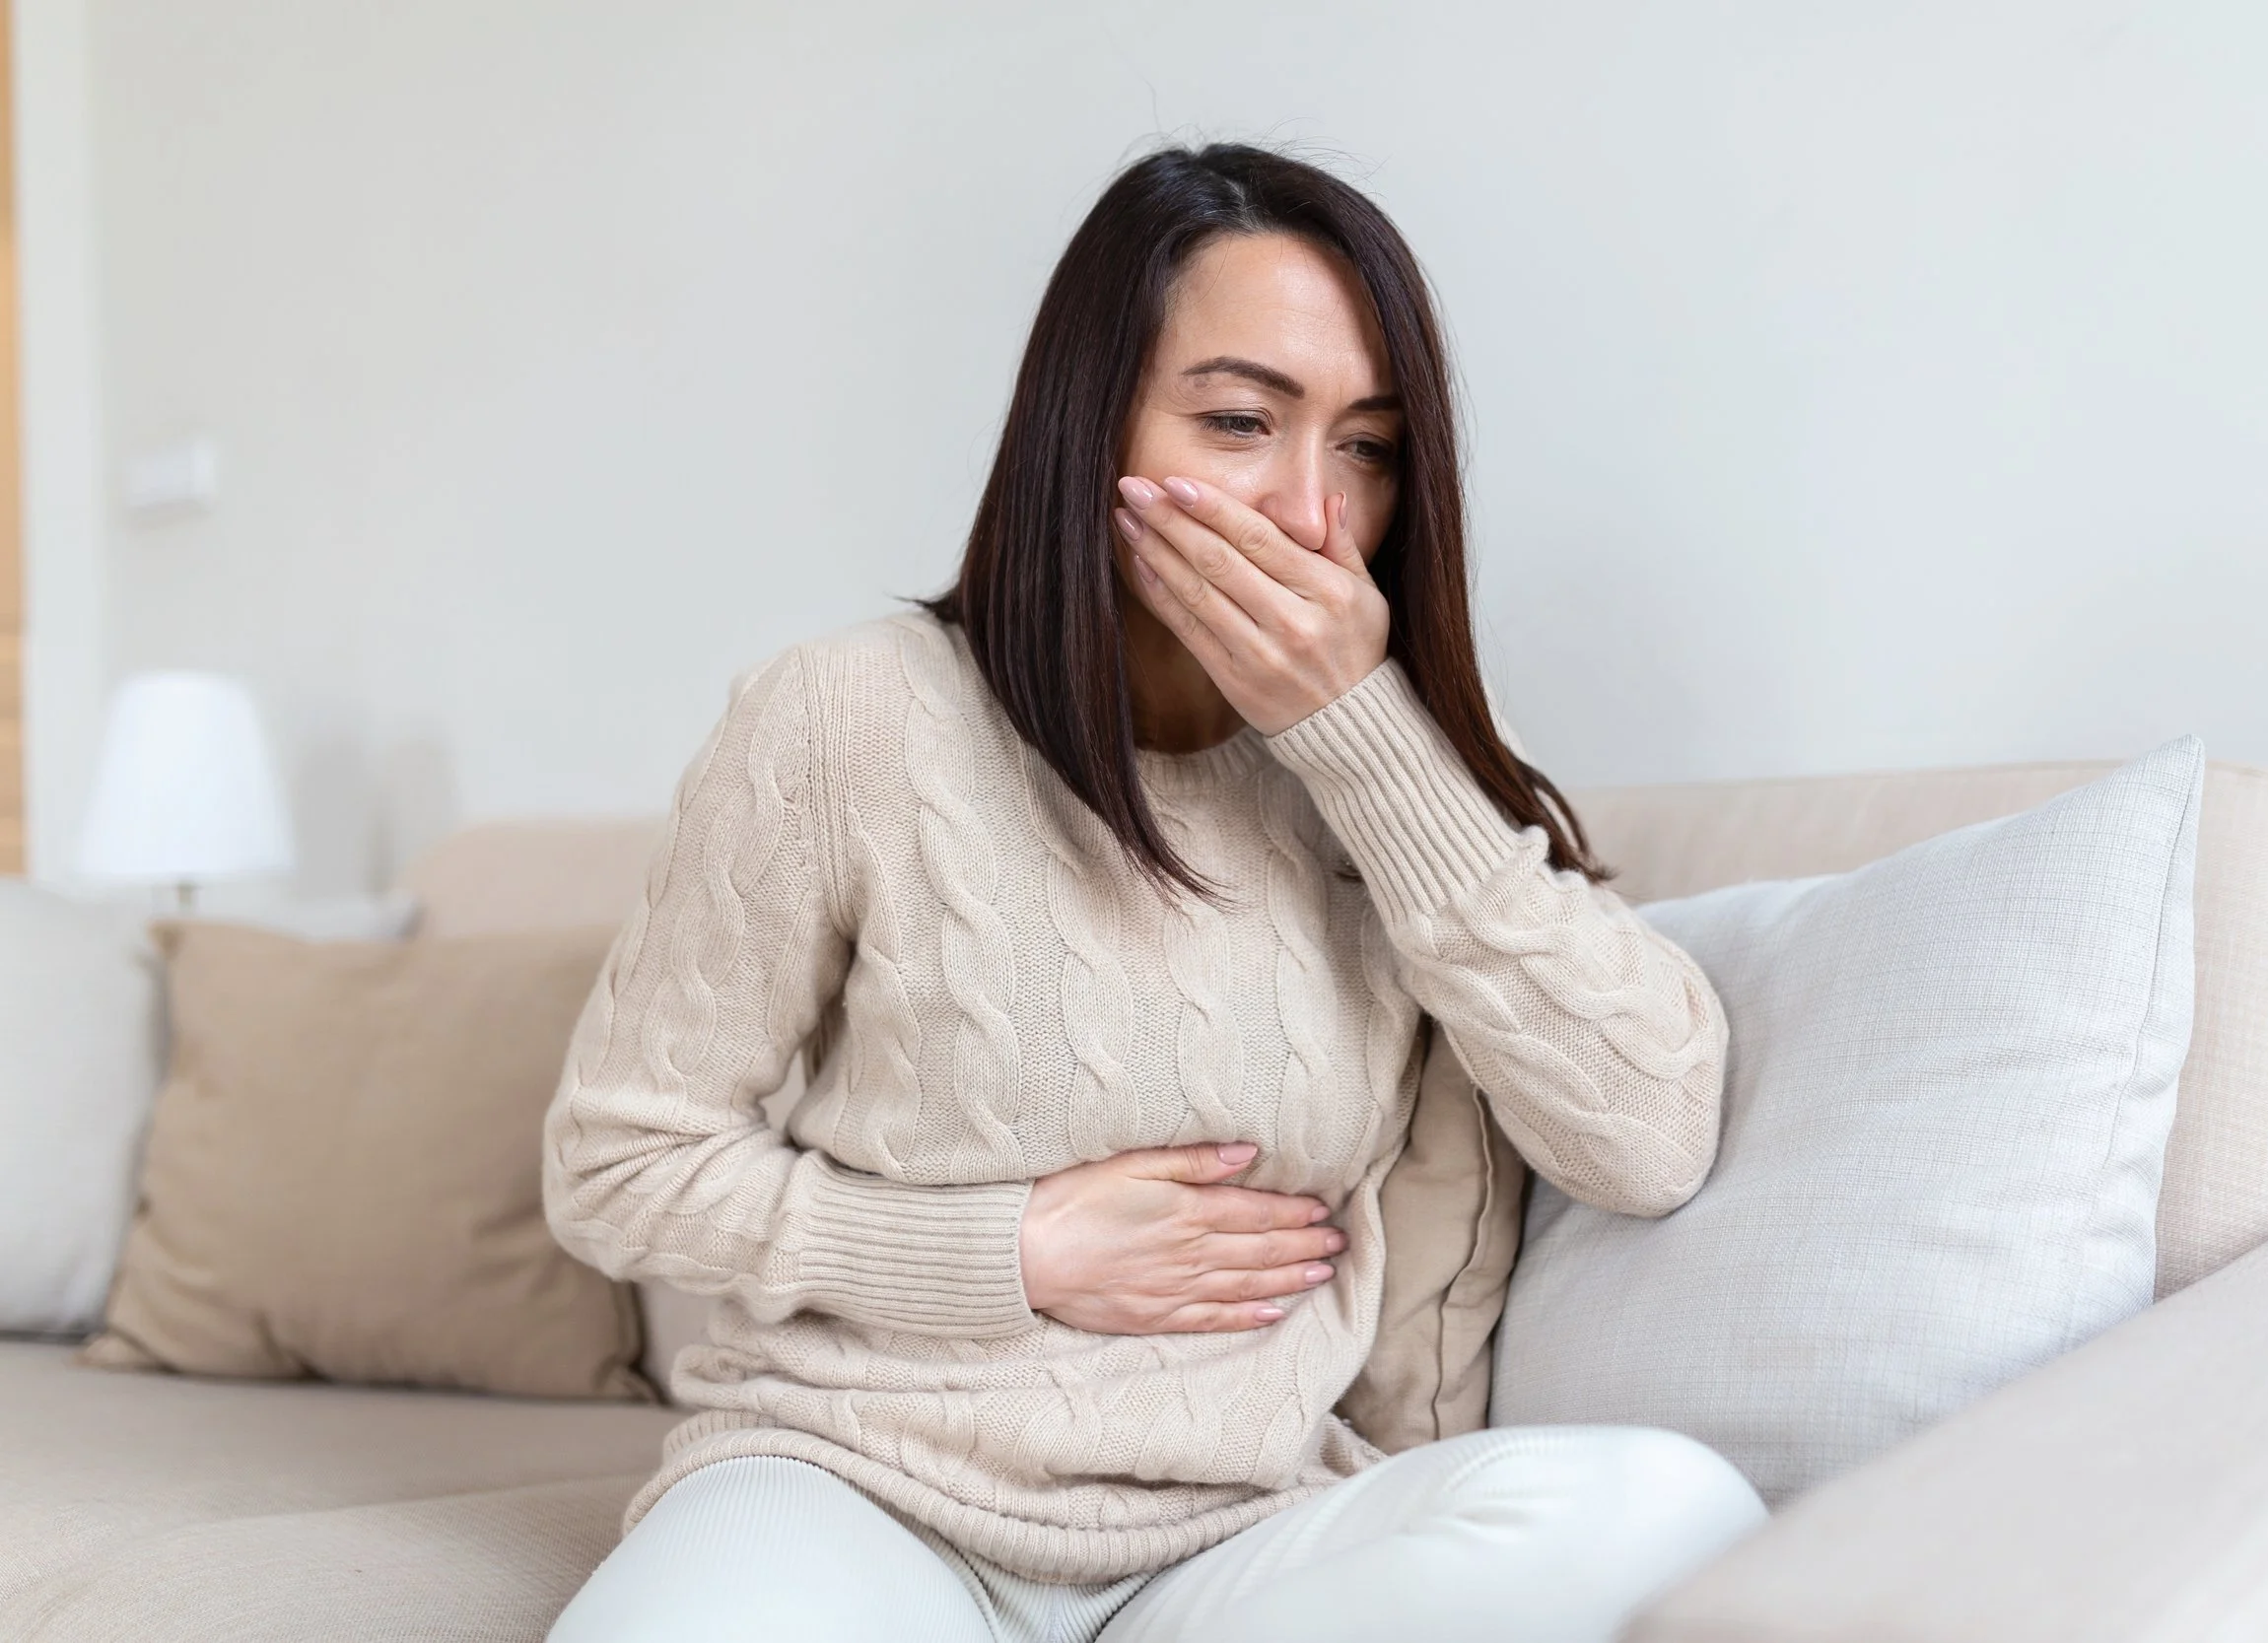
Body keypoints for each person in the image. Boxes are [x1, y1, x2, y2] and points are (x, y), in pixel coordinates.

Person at [542, 142, 1766, 1643]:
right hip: (859, 1484)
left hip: (1243, 1537)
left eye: (1369, 448)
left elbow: (1649, 1135)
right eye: (1243, 421)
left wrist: (1363, 739)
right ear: (1089, 420)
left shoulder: (1398, 784)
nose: (1313, 512)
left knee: (1673, 1508)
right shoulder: (848, 717)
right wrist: (1010, 1250)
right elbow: (618, 1163)